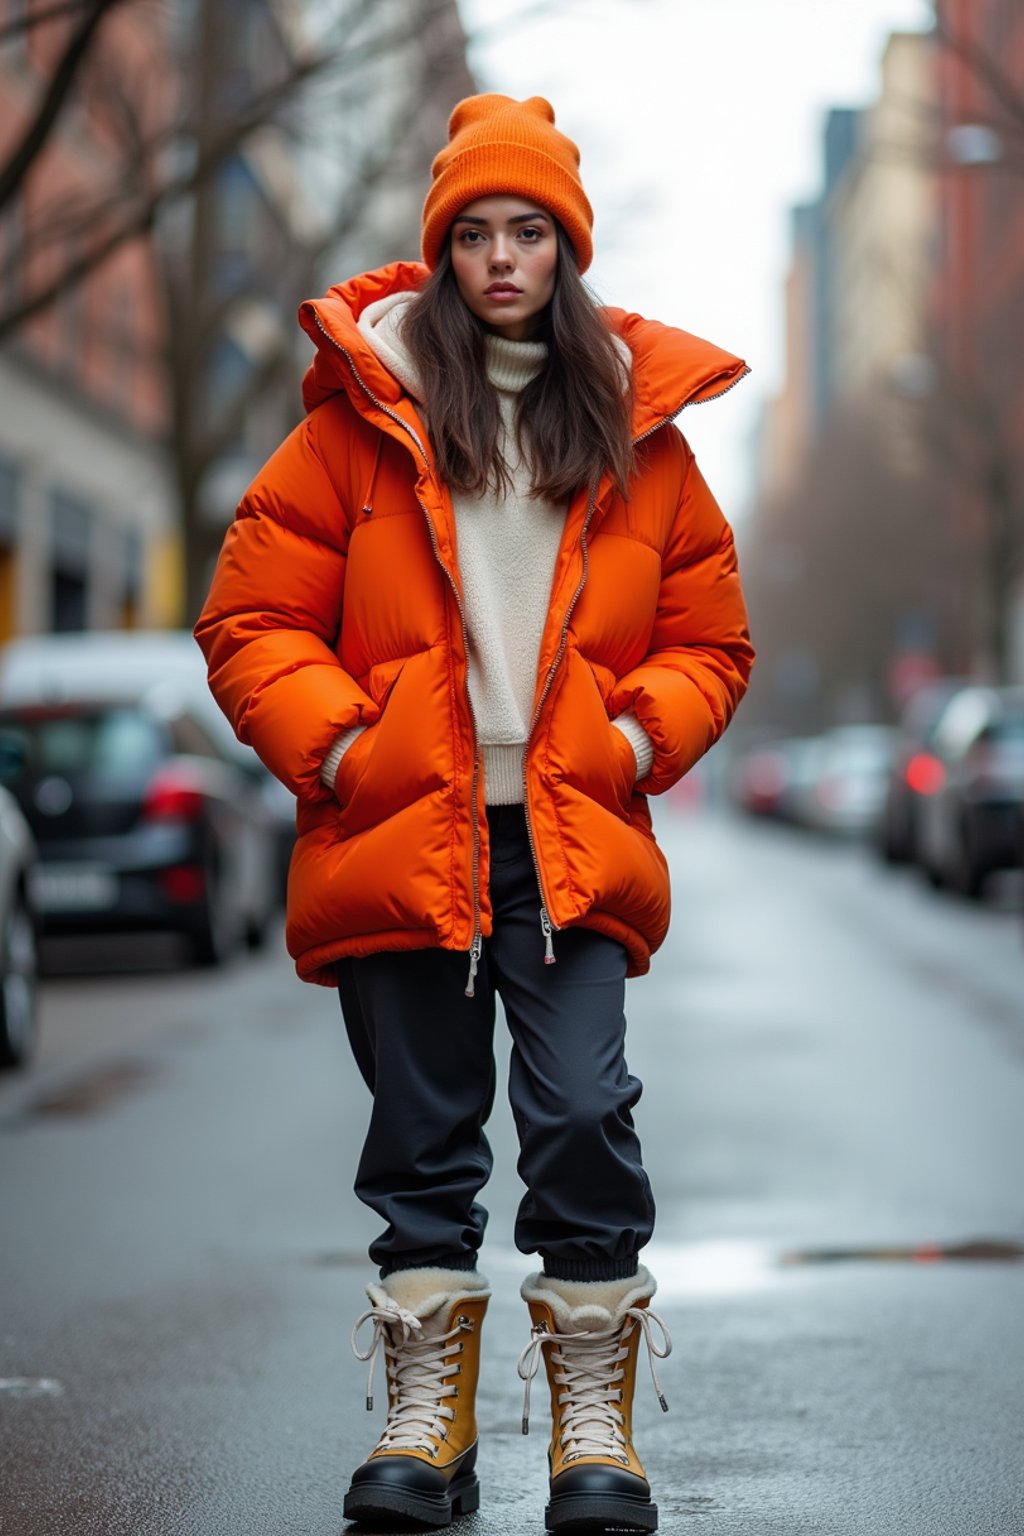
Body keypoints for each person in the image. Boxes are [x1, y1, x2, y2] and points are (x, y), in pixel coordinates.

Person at [195, 93, 753, 1534]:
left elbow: (710, 637)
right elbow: (252, 616)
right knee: (424, 1136)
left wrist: (637, 738)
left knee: (580, 1114)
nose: (502, 258)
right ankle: (425, 1428)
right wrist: (338, 756)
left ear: (565, 252)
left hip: (567, 835)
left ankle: (592, 1432)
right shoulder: (353, 430)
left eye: (530, 233)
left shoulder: (641, 436)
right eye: (475, 234)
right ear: (442, 251)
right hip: (403, 826)